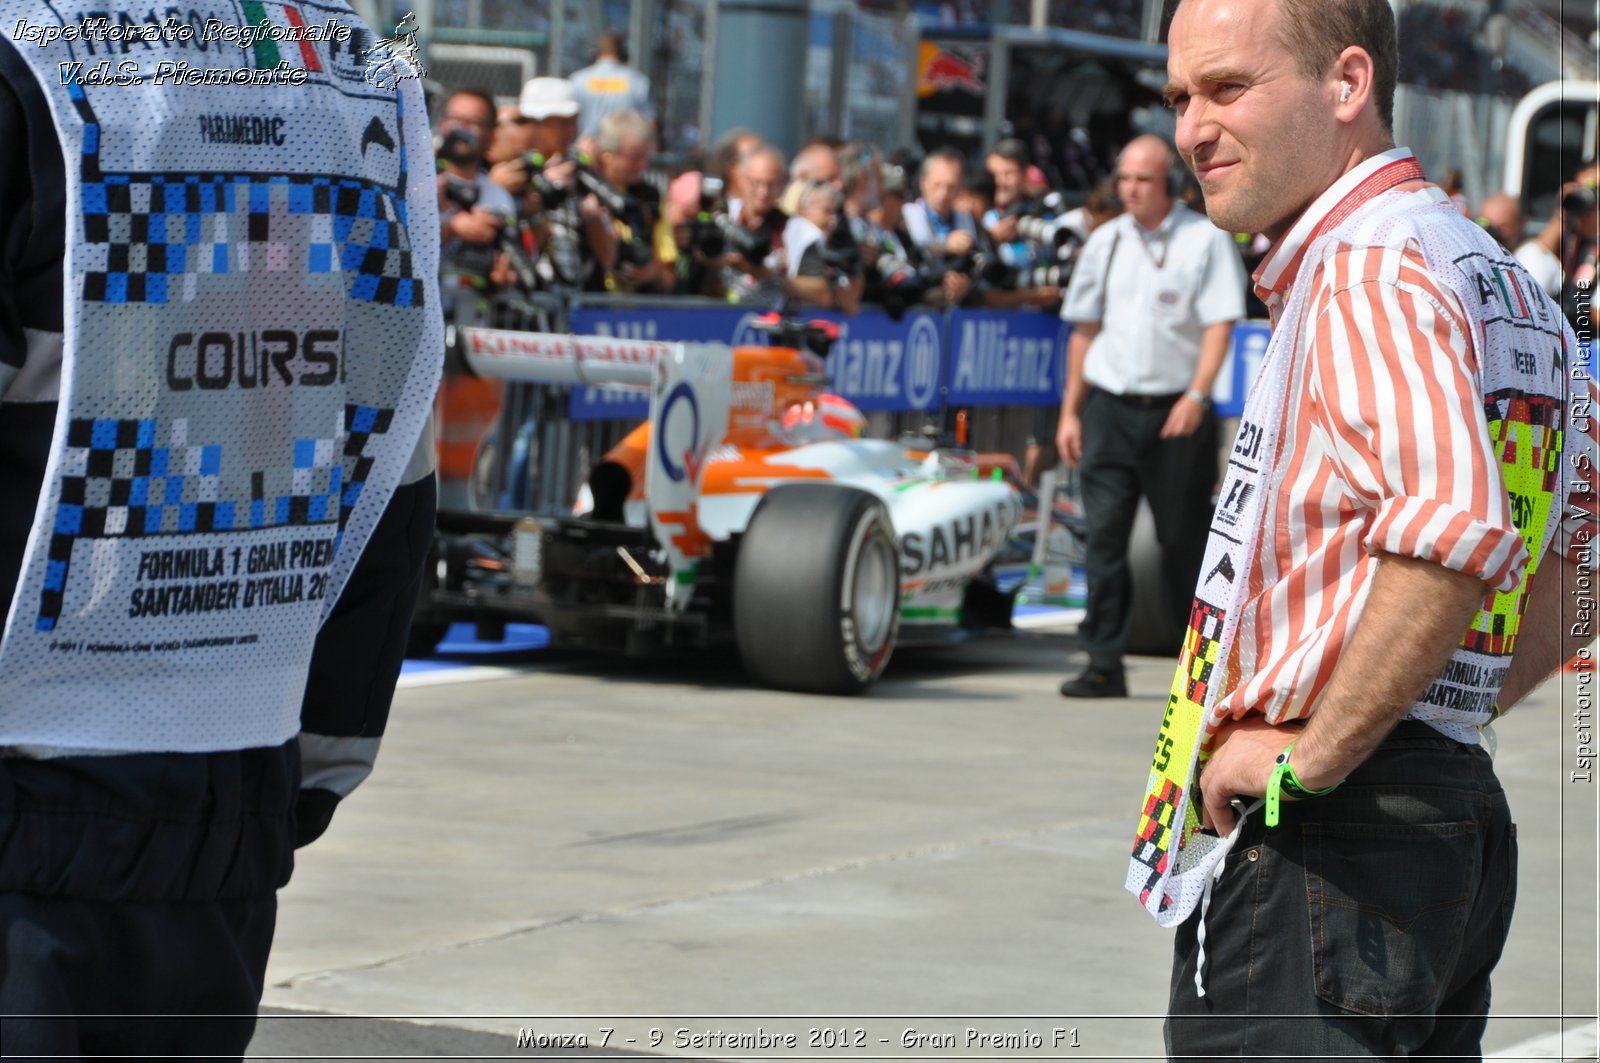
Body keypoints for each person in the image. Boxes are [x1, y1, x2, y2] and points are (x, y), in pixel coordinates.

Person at [1137, 1, 1589, 1059]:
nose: (1190, 129)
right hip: (1434, 815)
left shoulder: (1366, 268)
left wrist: (1317, 756)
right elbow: (1582, 558)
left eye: (1226, 88)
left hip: (1335, 840)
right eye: (1177, 98)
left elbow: (1453, 530)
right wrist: (1438, 715)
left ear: (1346, 86)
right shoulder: (1491, 273)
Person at [0, 2, 442, 1054]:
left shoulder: (28, 52)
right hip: (229, 789)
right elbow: (392, 446)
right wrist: (313, 757)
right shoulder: (355, 70)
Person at [1054, 133, 1245, 699]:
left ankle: (1203, 671)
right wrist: (1069, 413)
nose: (1132, 190)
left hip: (1174, 411)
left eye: (1143, 180)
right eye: (1125, 180)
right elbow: (1084, 330)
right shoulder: (1105, 241)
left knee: (1183, 542)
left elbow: (1219, 325)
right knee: (1104, 538)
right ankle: (1103, 661)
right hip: (1110, 407)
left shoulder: (1202, 239)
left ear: (1171, 185)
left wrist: (1196, 395)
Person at [435, 89, 518, 311]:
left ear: (490, 134)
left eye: (473, 122)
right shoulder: (417, 182)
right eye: (455, 119)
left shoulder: (499, 197)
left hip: (474, 321)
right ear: (442, 123)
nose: (462, 128)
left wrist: (502, 277)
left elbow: (505, 263)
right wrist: (451, 229)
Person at [902, 147, 983, 308]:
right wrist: (945, 245)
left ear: (960, 187)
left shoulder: (966, 219)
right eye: (937, 185)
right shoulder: (908, 214)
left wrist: (964, 283)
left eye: (950, 187)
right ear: (923, 183)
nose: (943, 194)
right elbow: (916, 249)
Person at [568, 30, 654, 143]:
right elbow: (649, 122)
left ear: (596, 53)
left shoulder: (577, 80)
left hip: (586, 148)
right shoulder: (638, 81)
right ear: (623, 54)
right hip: (622, 150)